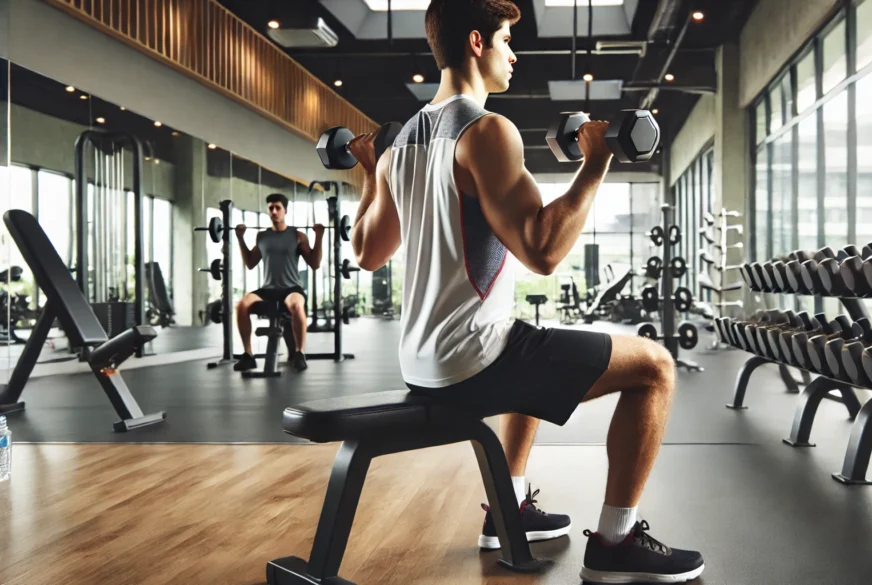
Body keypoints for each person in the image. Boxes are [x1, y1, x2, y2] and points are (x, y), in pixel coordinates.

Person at [346, 0, 705, 582]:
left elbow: (366, 252)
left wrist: (369, 177)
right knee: (657, 367)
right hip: (471, 362)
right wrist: (596, 163)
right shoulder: (487, 130)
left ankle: (506, 510)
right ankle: (615, 544)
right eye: (508, 39)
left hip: (420, 361)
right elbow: (542, 251)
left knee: (524, 339)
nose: (515, 53)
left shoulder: (399, 145)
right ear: (476, 43)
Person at [234, 193, 324, 373]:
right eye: (270, 208)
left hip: (291, 288)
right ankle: (248, 355)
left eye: (278, 208)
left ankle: (299, 353)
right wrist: (240, 238)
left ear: (285, 211)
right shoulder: (262, 237)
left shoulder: (297, 235)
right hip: (268, 288)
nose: (274, 211)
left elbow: (314, 263)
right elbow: (250, 263)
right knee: (241, 305)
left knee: (297, 305)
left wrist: (319, 237)